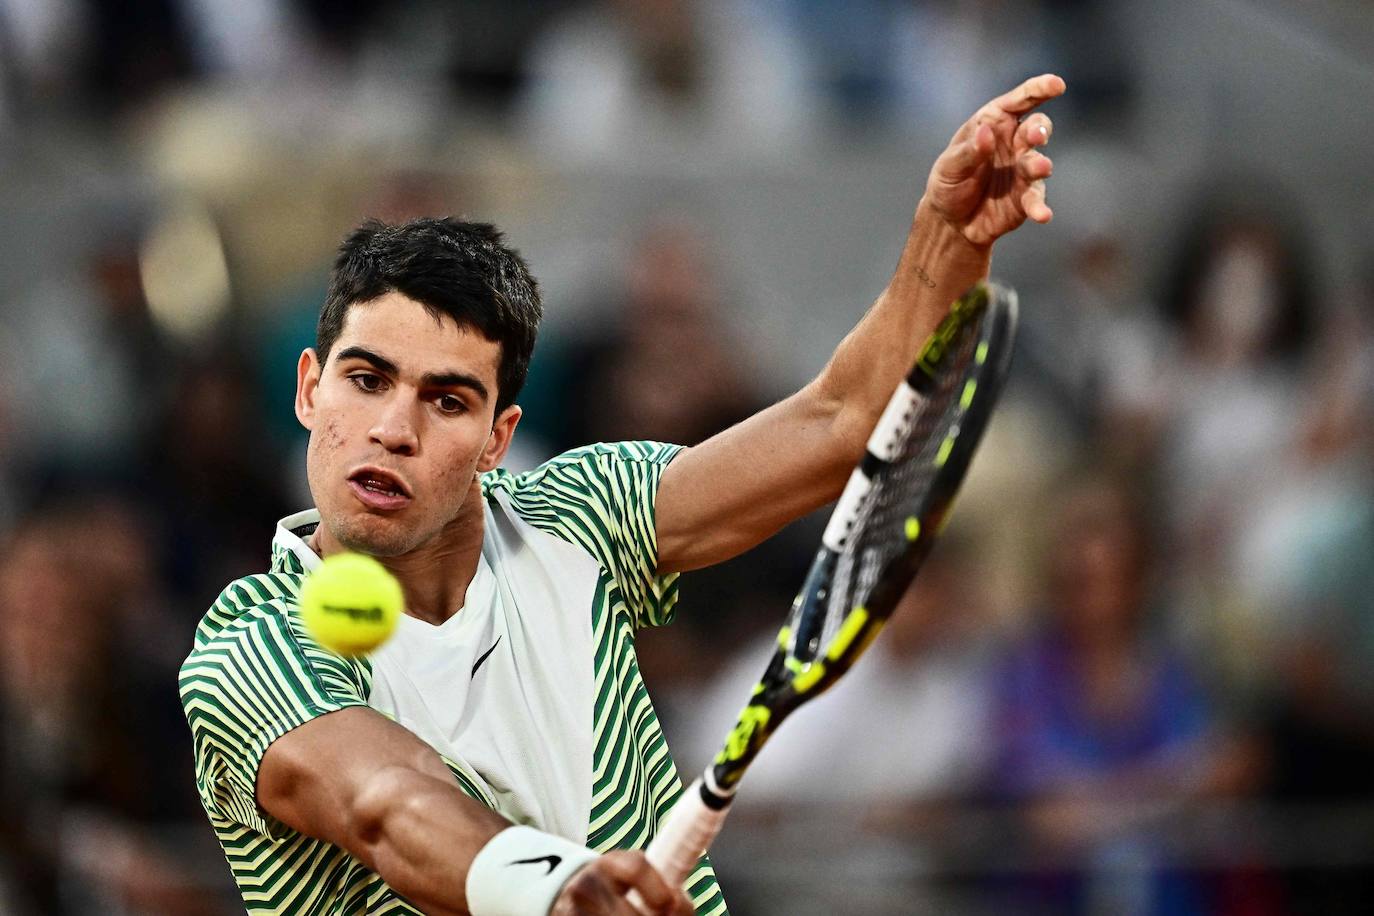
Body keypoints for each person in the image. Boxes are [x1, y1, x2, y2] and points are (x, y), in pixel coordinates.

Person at [179, 73, 1066, 916]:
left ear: (498, 436)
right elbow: (385, 801)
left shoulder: (579, 517)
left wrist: (945, 242)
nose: (393, 429)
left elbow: (838, 424)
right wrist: (562, 892)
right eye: (366, 380)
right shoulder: (252, 646)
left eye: (446, 399)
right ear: (308, 390)